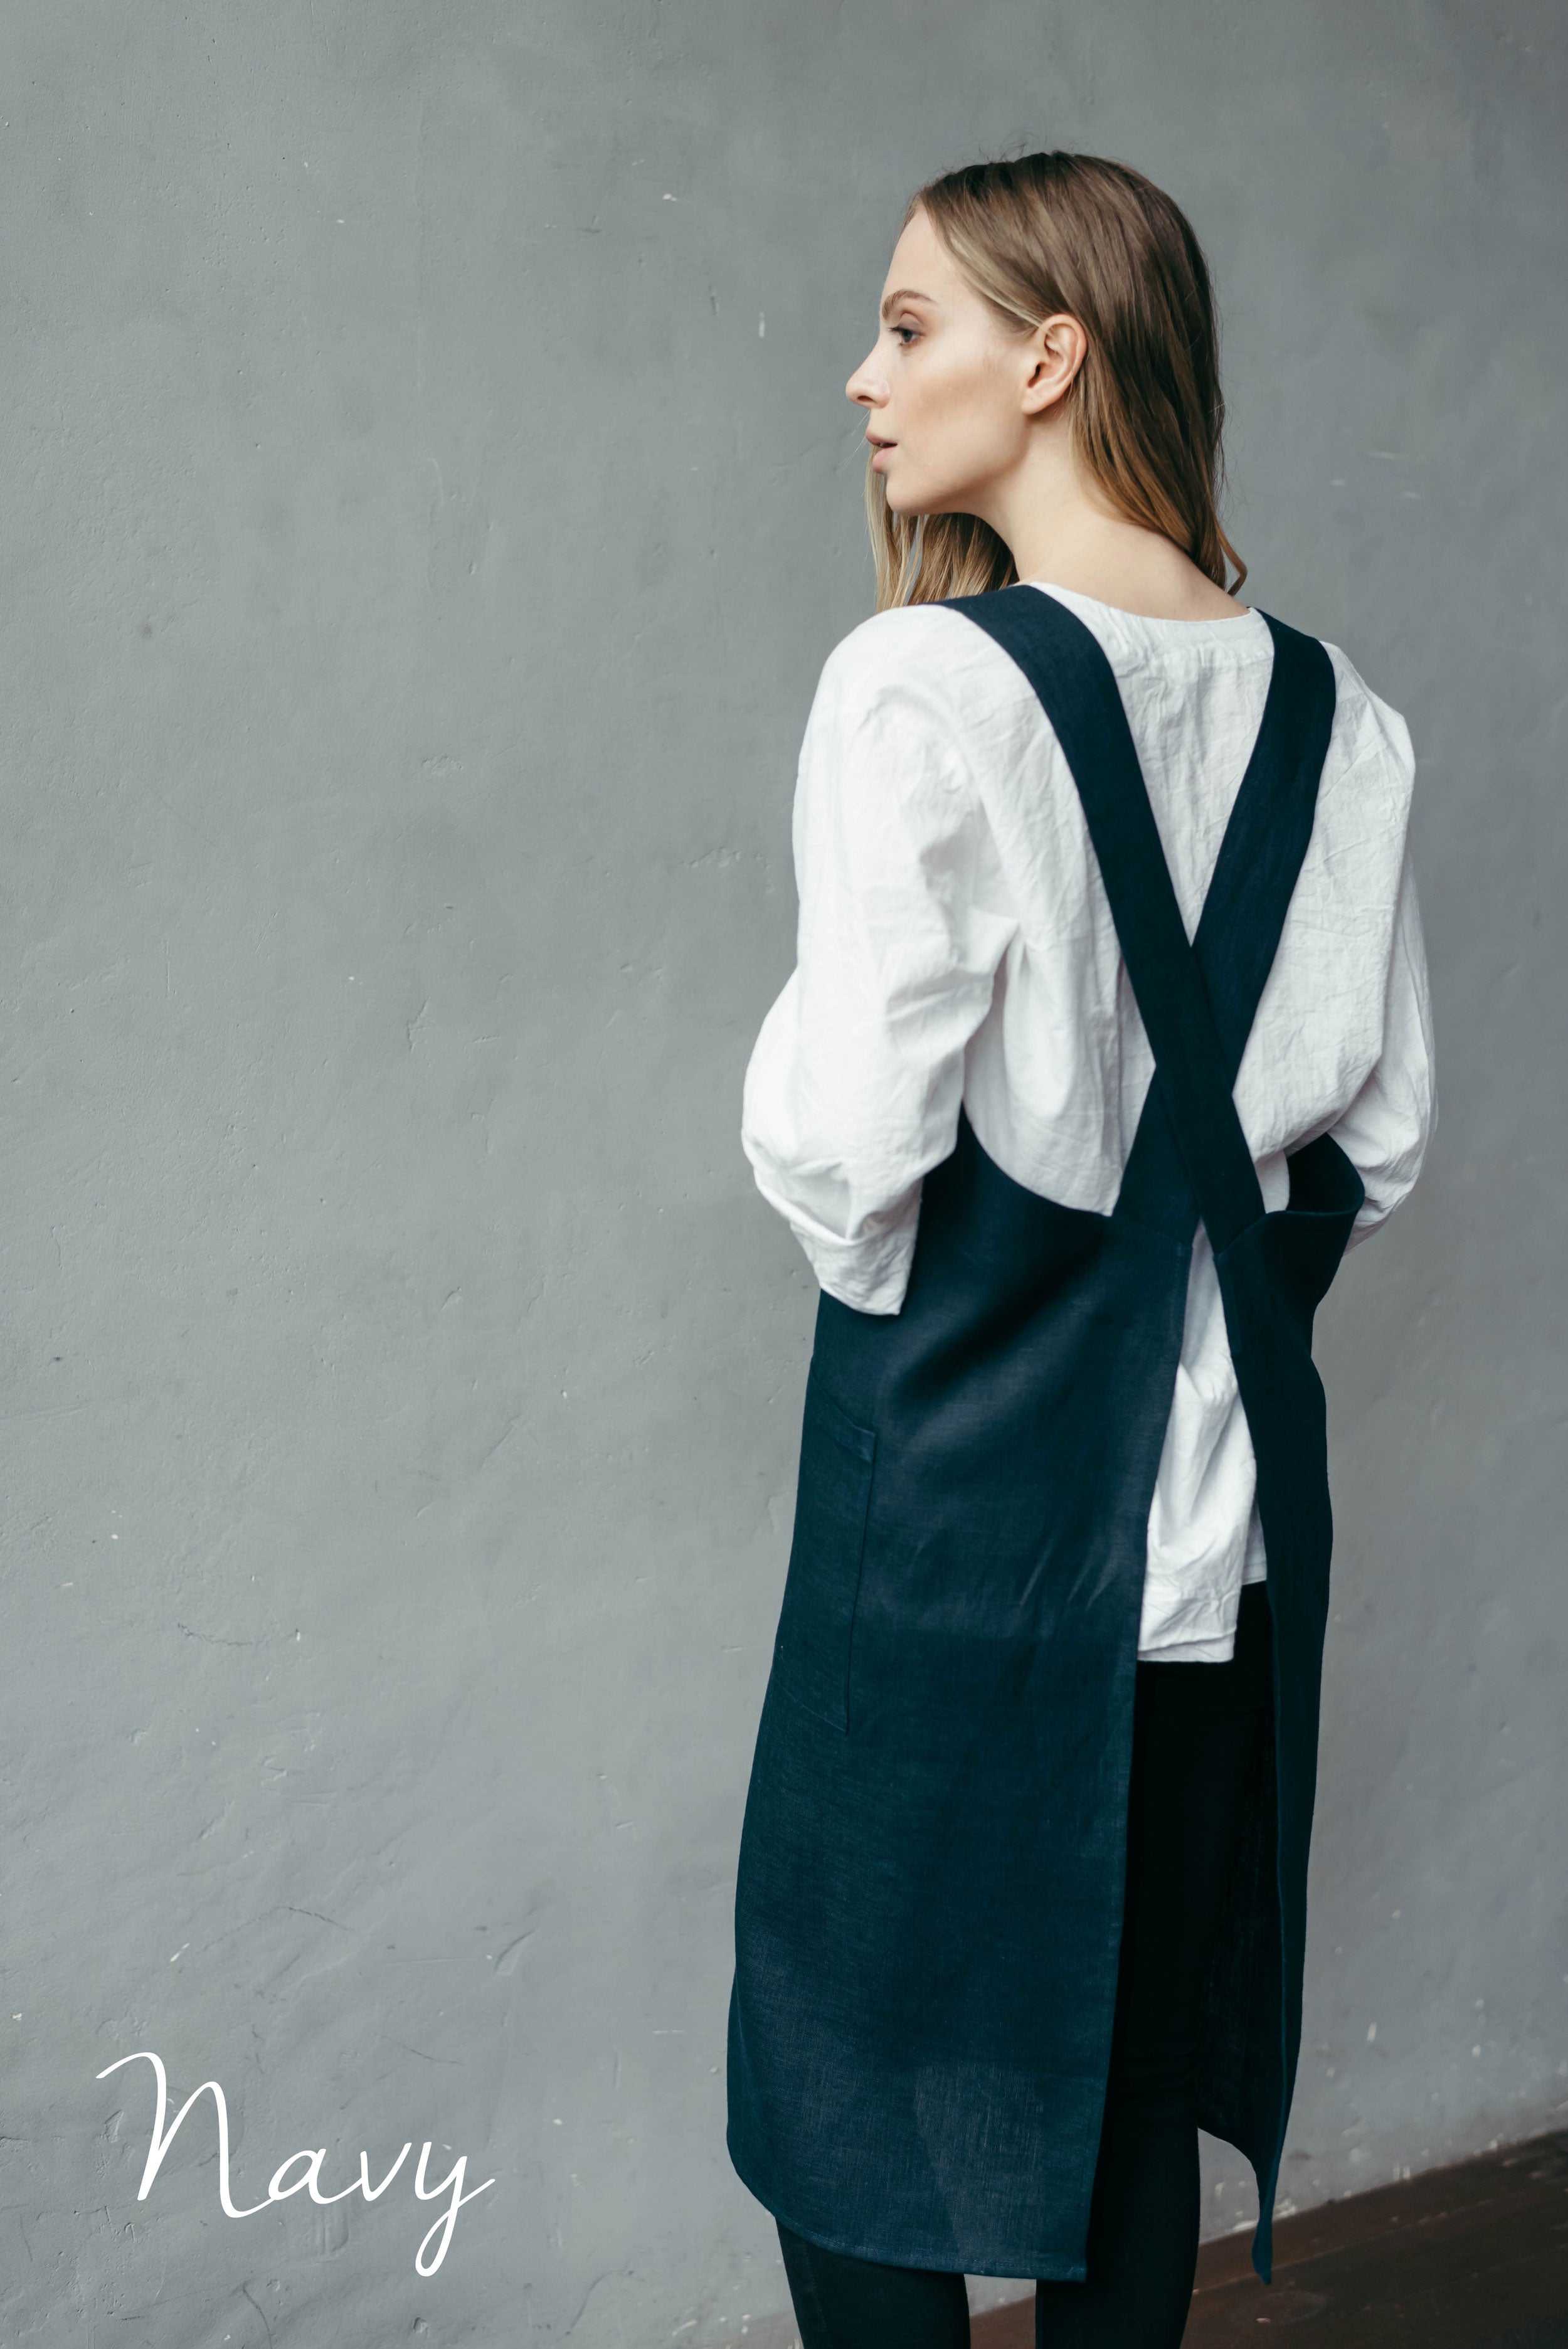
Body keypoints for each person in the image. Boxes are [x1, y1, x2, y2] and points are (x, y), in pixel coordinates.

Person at [724, 152, 1435, 2349]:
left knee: (854, 2092)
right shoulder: (1343, 718)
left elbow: (849, 1161)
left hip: (956, 1530)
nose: (862, 378)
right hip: (1215, 1536)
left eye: (906, 325)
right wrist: (1188, 1302)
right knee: (1119, 2087)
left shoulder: (919, 687)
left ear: (1049, 357)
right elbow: (1382, 1141)